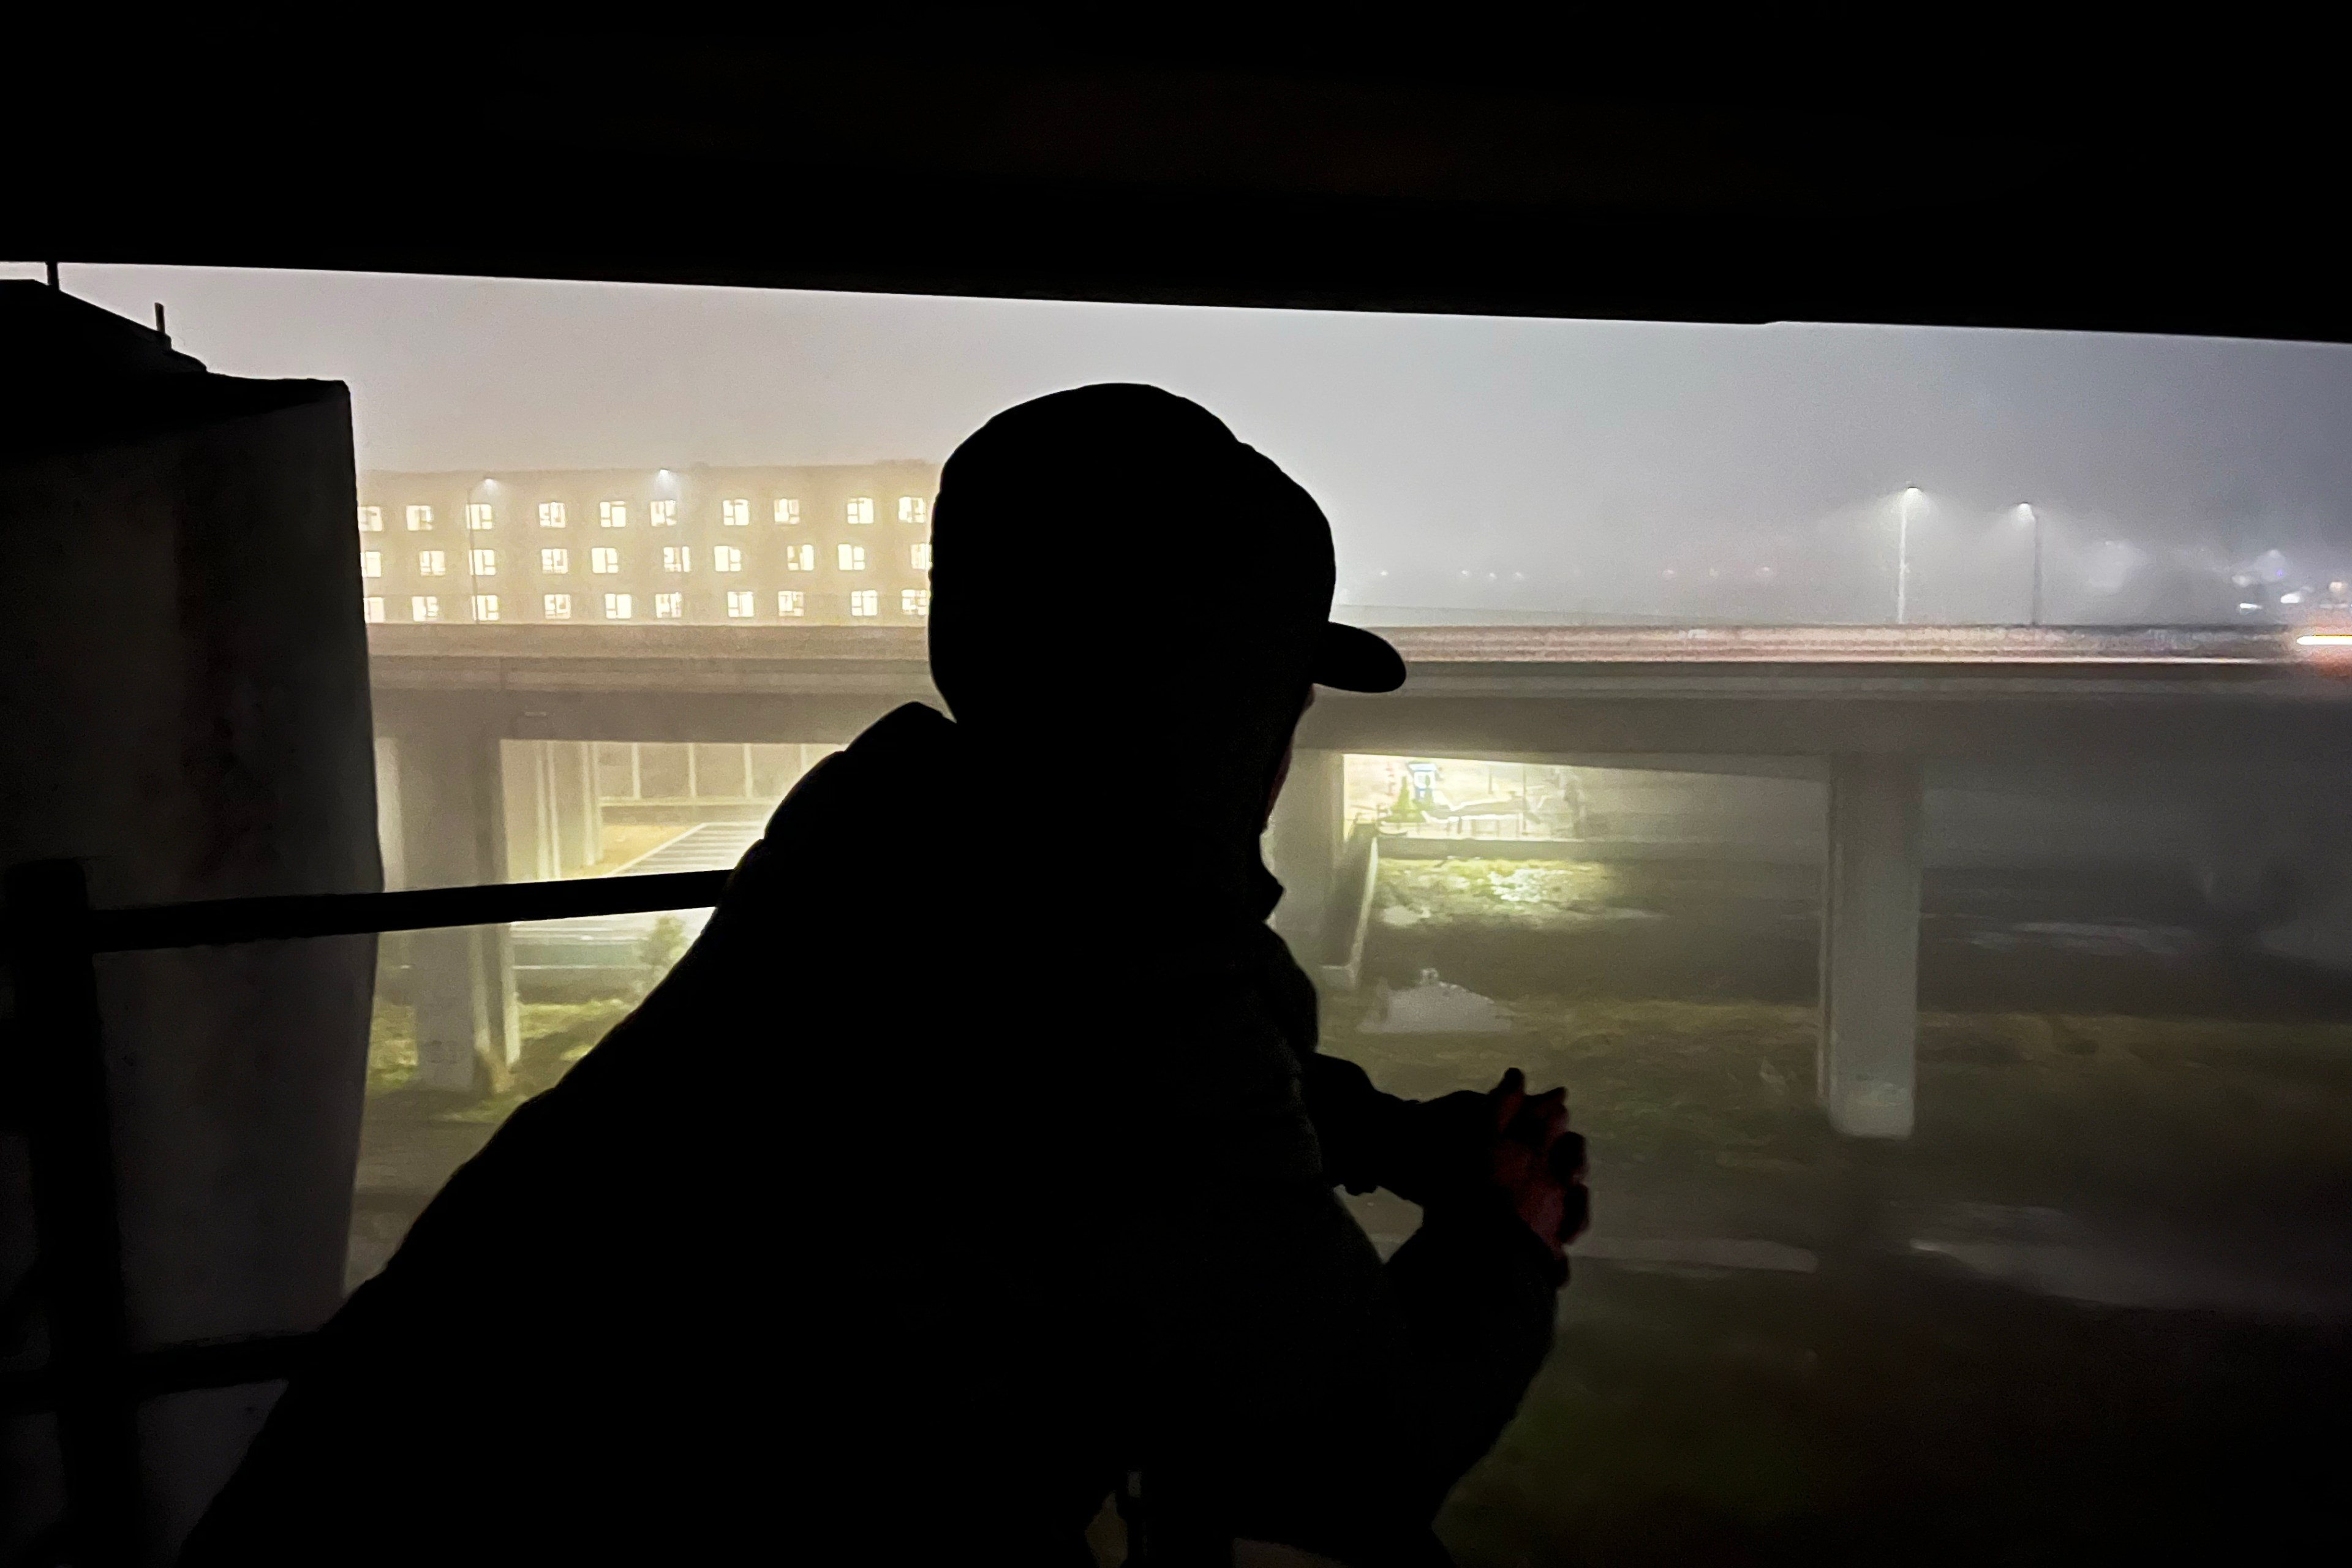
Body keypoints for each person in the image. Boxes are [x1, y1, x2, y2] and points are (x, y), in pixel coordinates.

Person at [183, 385, 1586, 1566]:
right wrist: (1504, 1238)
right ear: (1224, 722)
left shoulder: (887, 844)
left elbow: (1086, 1109)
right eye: (1275, 702)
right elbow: (1354, 1455)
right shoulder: (1124, 984)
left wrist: (1391, 1136)